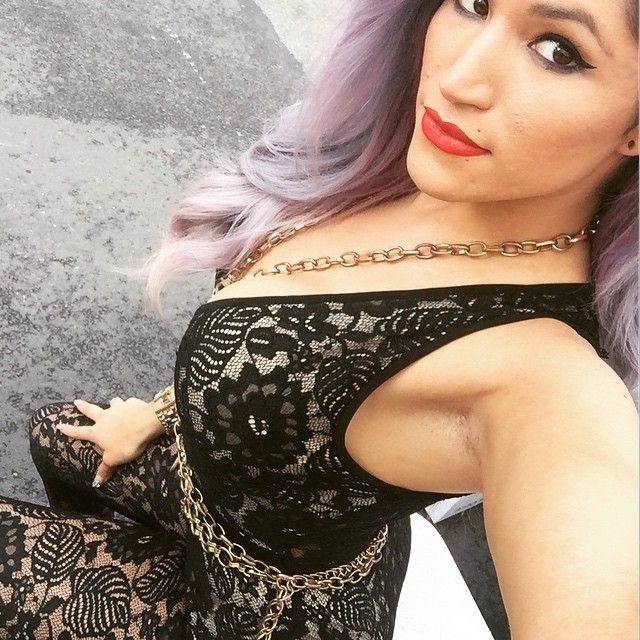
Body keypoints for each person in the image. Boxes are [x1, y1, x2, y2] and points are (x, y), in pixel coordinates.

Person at [1, 0, 638, 638]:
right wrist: (163, 411)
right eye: (474, 4)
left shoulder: (543, 375)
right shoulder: (416, 162)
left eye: (558, 51)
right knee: (51, 434)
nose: (457, 79)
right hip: (219, 488)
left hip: (268, 611)